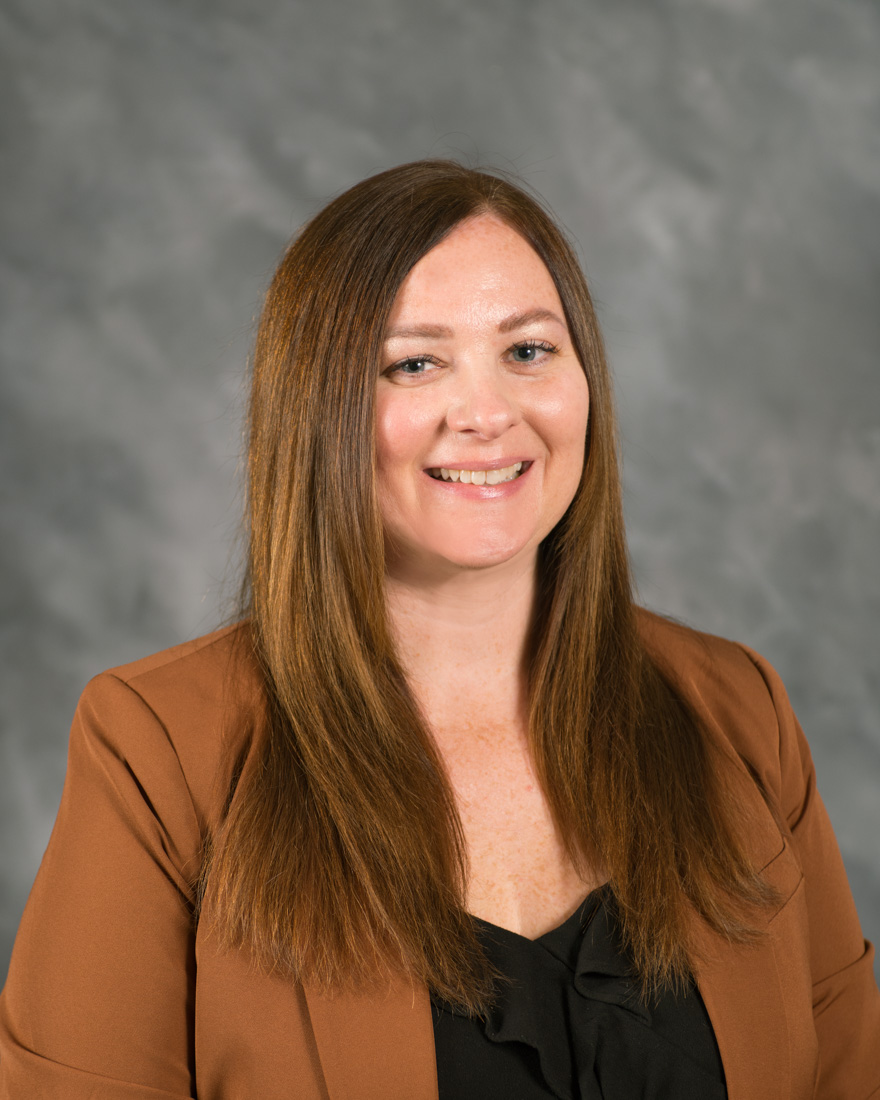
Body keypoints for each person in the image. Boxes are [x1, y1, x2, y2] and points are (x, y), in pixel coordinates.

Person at [0, 160, 877, 1100]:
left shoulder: (737, 708)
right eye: (414, 363)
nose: (489, 414)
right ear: (320, 410)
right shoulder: (160, 750)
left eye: (529, 350)